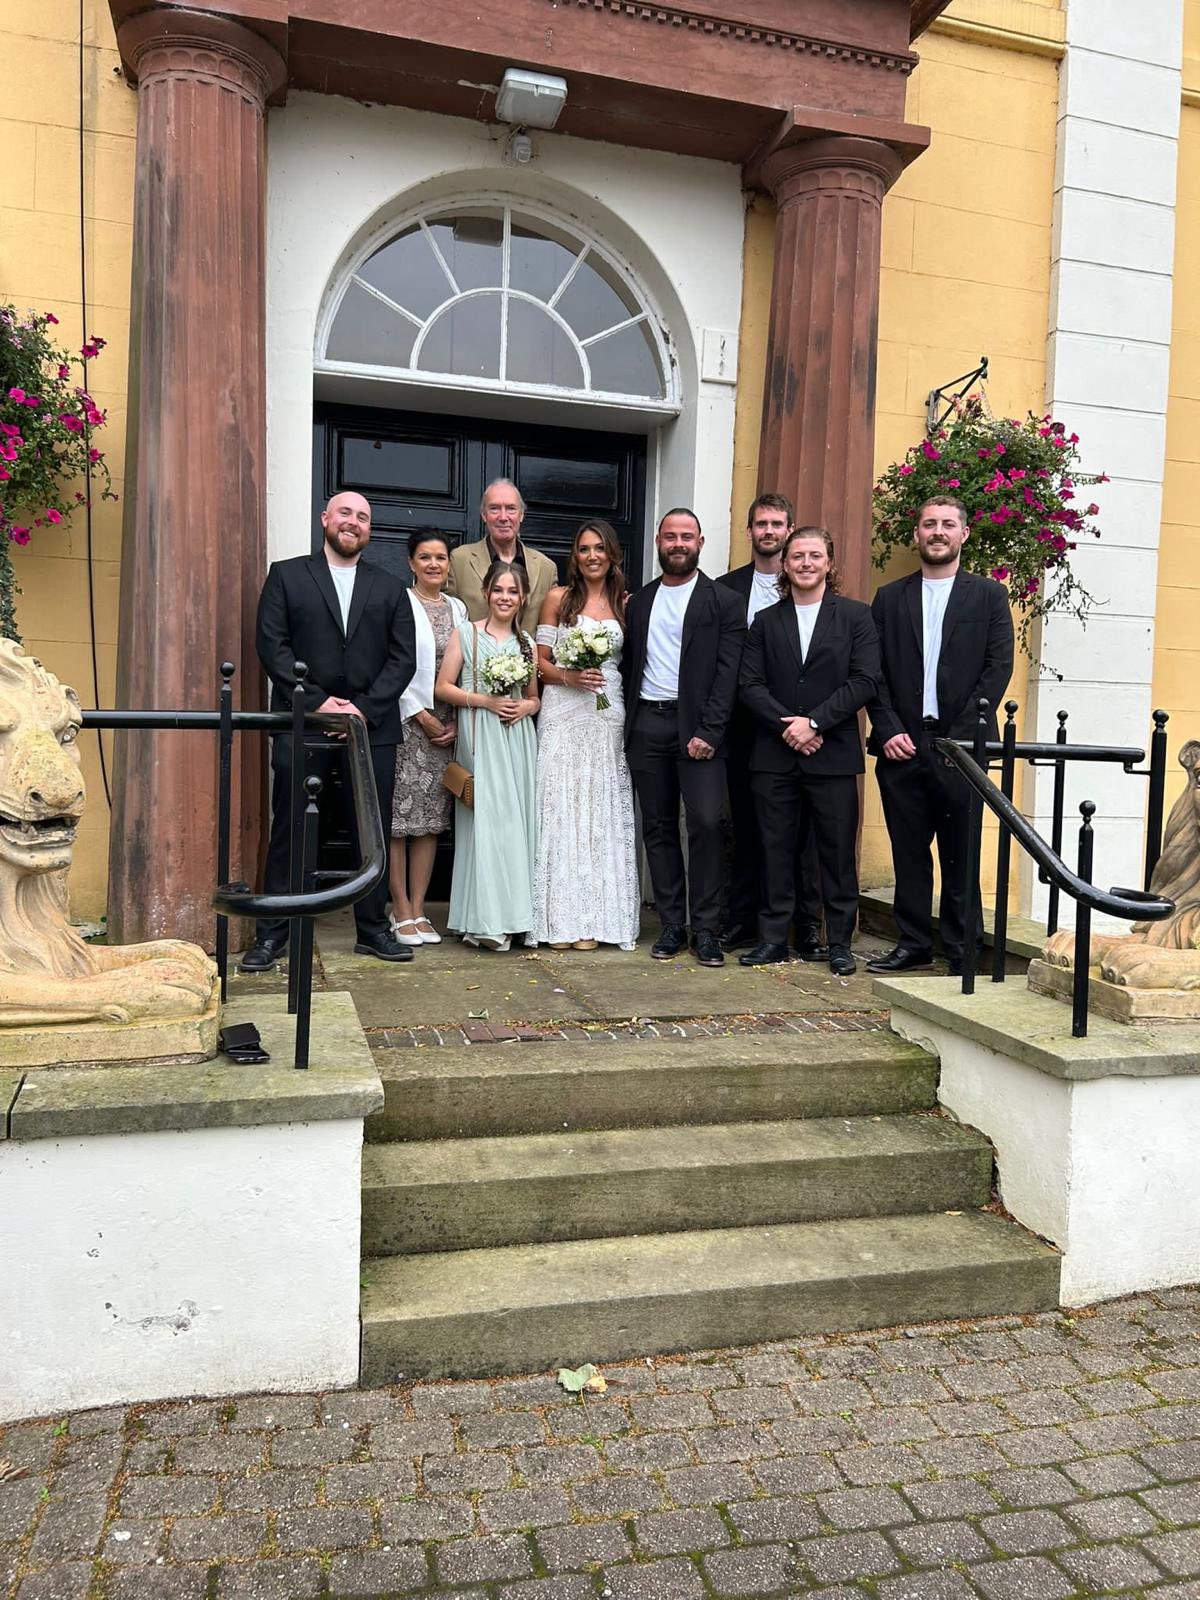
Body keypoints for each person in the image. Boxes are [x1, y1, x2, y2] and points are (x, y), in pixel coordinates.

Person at [243, 489, 416, 969]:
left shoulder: (390, 587)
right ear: (325, 519)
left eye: (363, 517)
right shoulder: (287, 575)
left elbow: (403, 659)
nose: (353, 522)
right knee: (292, 828)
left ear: (369, 530)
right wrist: (320, 703)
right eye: (345, 512)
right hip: (303, 723)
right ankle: (275, 932)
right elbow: (271, 645)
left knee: (371, 832)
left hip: (370, 728)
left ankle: (373, 930)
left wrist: (360, 710)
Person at [866, 495, 1014, 977]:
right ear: (917, 534)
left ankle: (961, 948)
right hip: (901, 746)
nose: (937, 531)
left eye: (948, 524)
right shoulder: (889, 598)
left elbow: (997, 670)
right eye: (929, 523)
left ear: (963, 534)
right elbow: (874, 672)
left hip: (961, 748)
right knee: (908, 853)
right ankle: (912, 944)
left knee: (961, 851)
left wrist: (959, 738)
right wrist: (887, 728)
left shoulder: (989, 596)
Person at [738, 527, 880, 976]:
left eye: (814, 555)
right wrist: (791, 727)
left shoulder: (856, 617)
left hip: (832, 753)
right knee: (774, 849)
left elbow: (865, 680)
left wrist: (815, 722)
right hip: (775, 755)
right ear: (784, 564)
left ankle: (838, 941)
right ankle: (774, 939)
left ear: (829, 564)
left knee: (836, 853)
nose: (805, 563)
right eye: (797, 556)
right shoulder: (765, 621)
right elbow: (749, 684)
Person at [622, 508, 746, 967]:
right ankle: (673, 924)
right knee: (656, 827)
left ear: (700, 542)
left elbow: (728, 674)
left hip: (700, 729)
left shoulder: (724, 601)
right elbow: (629, 664)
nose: (678, 544)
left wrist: (710, 731)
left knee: (708, 825)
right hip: (647, 726)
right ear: (658, 540)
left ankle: (707, 929)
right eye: (670, 536)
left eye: (686, 537)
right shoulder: (640, 601)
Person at [718, 493, 825, 960]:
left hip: (804, 730)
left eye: (777, 523)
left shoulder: (810, 586)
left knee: (804, 837)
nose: (769, 531)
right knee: (746, 827)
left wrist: (802, 722)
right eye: (760, 523)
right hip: (744, 728)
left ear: (790, 529)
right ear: (749, 532)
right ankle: (743, 920)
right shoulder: (725, 589)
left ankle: (808, 927)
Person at [533, 520, 640, 951]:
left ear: (612, 554)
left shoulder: (627, 604)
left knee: (599, 809)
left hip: (605, 711)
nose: (592, 556)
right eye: (583, 549)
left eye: (599, 548)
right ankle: (559, 917)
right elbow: (539, 662)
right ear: (574, 556)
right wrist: (568, 676)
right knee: (561, 805)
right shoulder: (558, 598)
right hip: (562, 708)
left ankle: (597, 917)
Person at [436, 560, 539, 951]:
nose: (505, 598)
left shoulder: (526, 643)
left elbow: (533, 697)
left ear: (523, 597)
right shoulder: (467, 635)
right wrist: (485, 701)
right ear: (486, 592)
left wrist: (526, 708)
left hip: (517, 739)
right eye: (499, 590)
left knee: (516, 827)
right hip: (480, 737)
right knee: (485, 827)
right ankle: (482, 919)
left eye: (513, 592)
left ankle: (516, 918)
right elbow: (442, 687)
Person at [388, 529, 469, 947]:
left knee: (430, 824)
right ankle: (398, 909)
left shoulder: (458, 608)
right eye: (425, 557)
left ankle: (420, 909)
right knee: (400, 823)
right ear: (411, 563)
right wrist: (419, 714)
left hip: (447, 731)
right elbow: (388, 661)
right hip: (406, 726)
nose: (434, 564)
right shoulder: (399, 603)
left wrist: (455, 720)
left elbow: (466, 667)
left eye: (440, 557)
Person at [447, 477, 558, 635]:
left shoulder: (546, 567)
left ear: (521, 515)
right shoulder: (459, 560)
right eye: (494, 509)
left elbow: (550, 628)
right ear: (484, 515)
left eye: (511, 508)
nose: (503, 517)